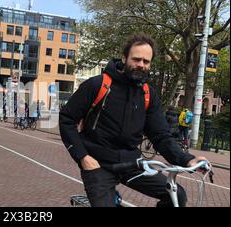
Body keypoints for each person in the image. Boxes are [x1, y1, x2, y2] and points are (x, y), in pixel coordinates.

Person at [59, 34, 209, 207]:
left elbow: (160, 135)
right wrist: (83, 157)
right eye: (136, 59)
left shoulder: (148, 94)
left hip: (132, 163)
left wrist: (187, 159)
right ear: (124, 58)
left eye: (146, 61)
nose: (141, 65)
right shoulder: (97, 85)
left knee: (177, 196)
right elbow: (67, 120)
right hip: (99, 164)